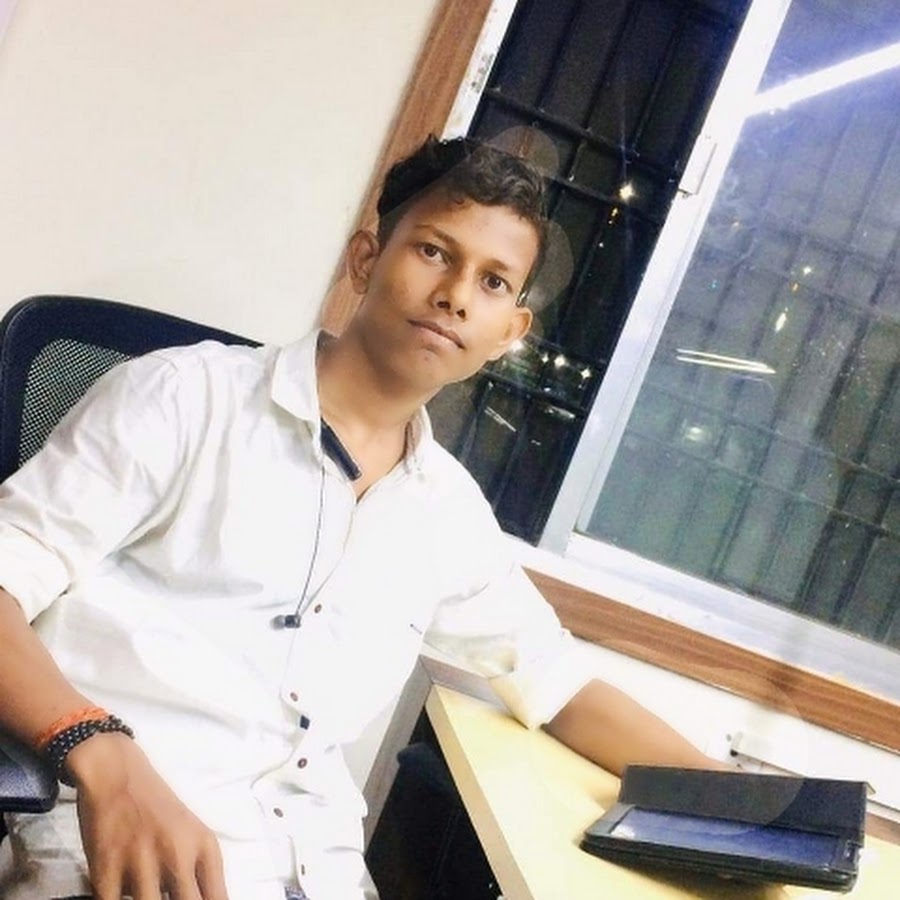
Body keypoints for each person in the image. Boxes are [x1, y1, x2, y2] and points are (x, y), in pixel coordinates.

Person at [0, 136, 716, 900]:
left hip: (320, 875)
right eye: (435, 252)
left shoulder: (447, 514)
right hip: (126, 858)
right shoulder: (184, 398)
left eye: (493, 281)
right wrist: (98, 749)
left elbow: (558, 683)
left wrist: (757, 808)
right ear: (366, 259)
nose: (456, 295)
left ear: (508, 333)